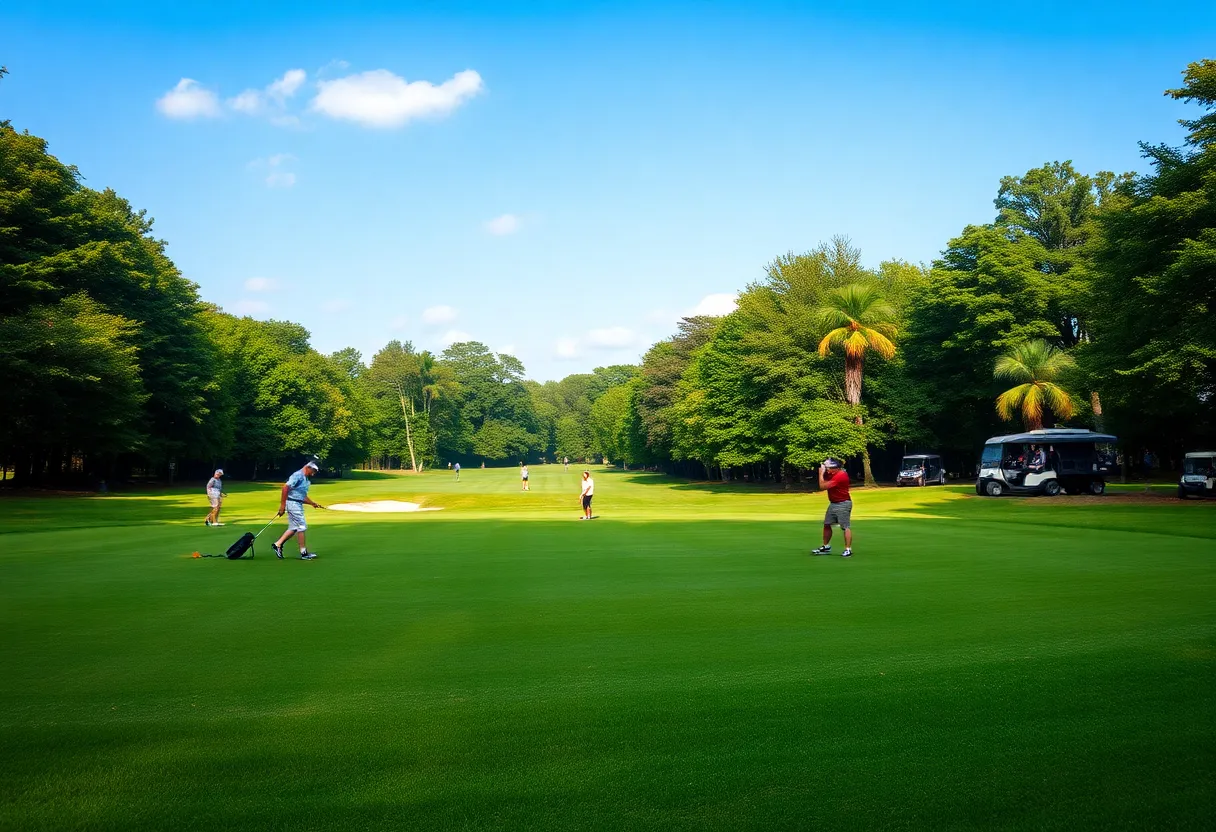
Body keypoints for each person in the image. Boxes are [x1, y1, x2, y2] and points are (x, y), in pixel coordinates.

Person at [272, 460, 326, 560]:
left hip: (297, 504)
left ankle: (277, 544)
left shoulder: (305, 479)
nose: (313, 474)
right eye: (313, 471)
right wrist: (282, 506)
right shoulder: (297, 475)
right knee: (302, 526)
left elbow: (301, 496)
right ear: (308, 467)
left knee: (293, 528)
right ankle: (303, 553)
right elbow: (285, 488)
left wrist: (312, 503)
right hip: (293, 504)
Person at [811, 458, 853, 558]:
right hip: (833, 503)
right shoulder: (833, 473)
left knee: (845, 527)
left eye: (828, 468)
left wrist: (821, 474)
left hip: (843, 503)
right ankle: (826, 546)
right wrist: (823, 468)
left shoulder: (840, 475)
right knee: (827, 524)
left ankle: (848, 549)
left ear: (835, 468)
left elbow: (822, 486)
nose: (827, 470)